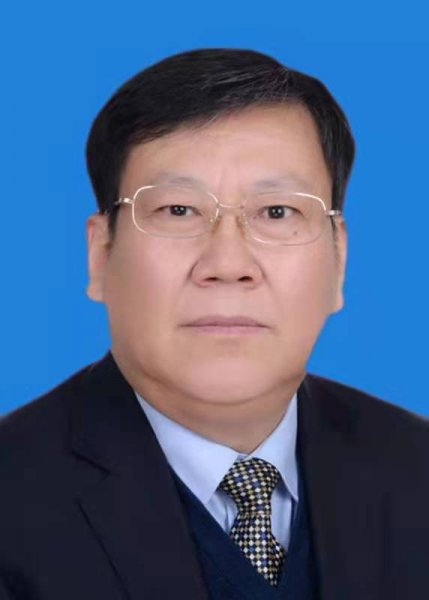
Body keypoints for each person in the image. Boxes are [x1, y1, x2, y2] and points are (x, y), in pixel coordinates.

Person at [0, 48, 428, 600]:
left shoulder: (415, 469)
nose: (228, 265)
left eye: (277, 212)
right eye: (178, 210)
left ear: (338, 259)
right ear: (100, 254)